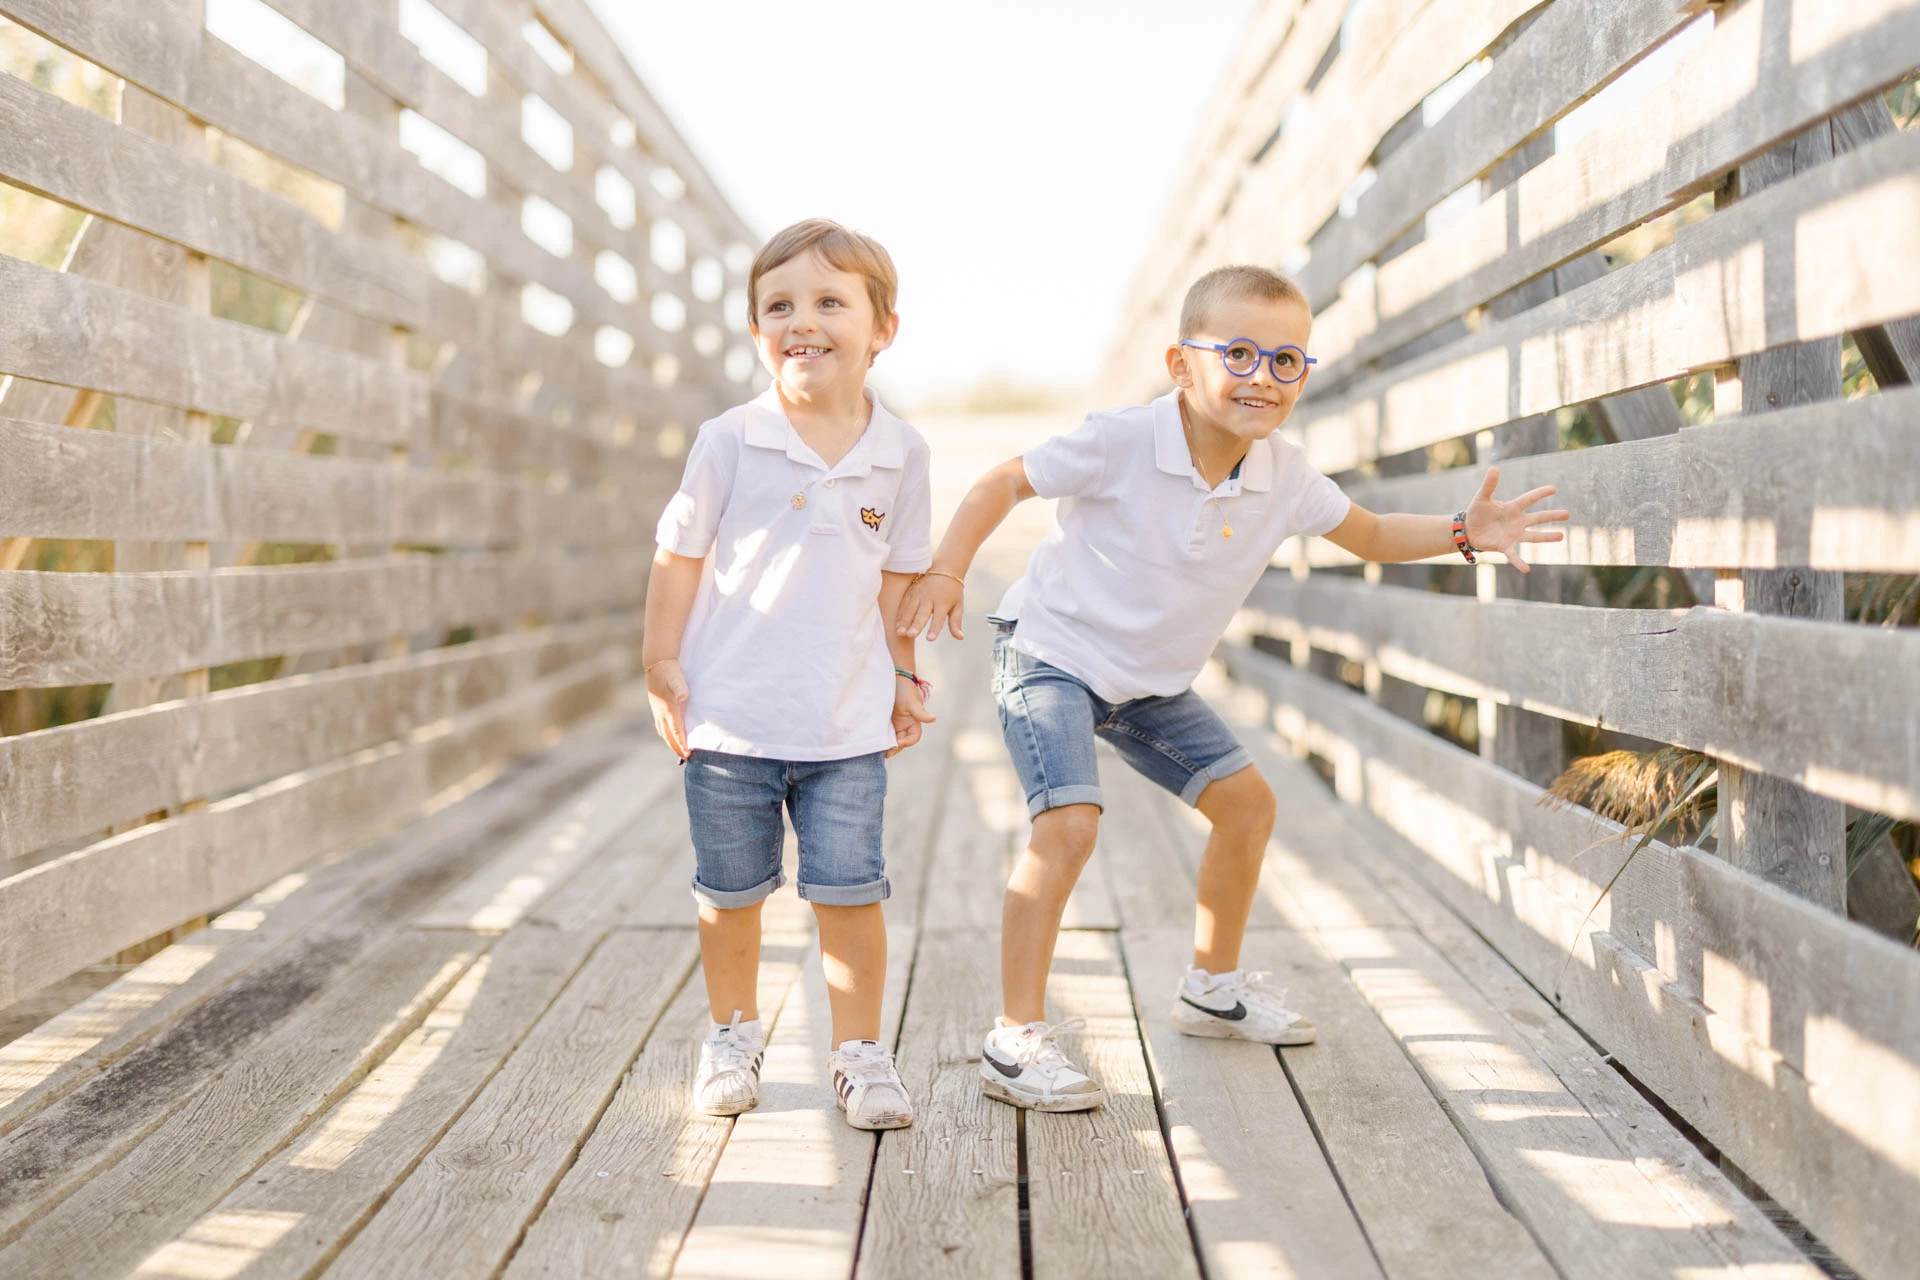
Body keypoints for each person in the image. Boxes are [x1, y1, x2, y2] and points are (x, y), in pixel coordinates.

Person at [897, 264, 1568, 1110]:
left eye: (1286, 361)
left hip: (1150, 684)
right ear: (1181, 366)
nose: (1263, 376)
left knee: (1248, 807)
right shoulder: (1121, 440)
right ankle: (1015, 1037)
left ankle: (1210, 989)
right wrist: (949, 570)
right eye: (1239, 354)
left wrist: (1463, 530)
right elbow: (1003, 481)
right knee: (1068, 825)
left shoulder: (1284, 475)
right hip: (1052, 654)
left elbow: (1369, 535)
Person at [644, 219, 935, 1130]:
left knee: (850, 895)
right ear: (757, 331)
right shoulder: (730, 439)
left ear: (883, 329)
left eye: (829, 302)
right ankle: (733, 1037)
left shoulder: (902, 452)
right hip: (730, 720)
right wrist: (660, 661)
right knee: (730, 898)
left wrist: (903, 674)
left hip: (844, 726)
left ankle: (860, 1053)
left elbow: (896, 581)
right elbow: (678, 556)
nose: (802, 322)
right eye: (779, 307)